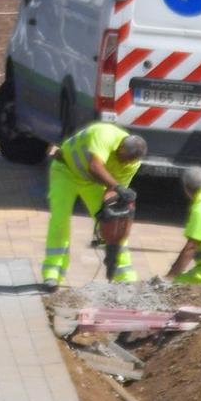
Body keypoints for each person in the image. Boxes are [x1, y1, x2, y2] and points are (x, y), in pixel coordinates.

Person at [41, 123, 147, 289]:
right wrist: (117, 187)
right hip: (65, 172)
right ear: (120, 147)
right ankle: (53, 274)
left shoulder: (133, 164)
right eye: (123, 159)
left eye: (129, 162)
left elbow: (113, 189)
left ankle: (124, 275)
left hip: (92, 183)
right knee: (59, 220)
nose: (125, 164)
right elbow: (95, 166)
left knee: (113, 223)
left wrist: (108, 208)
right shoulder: (104, 134)